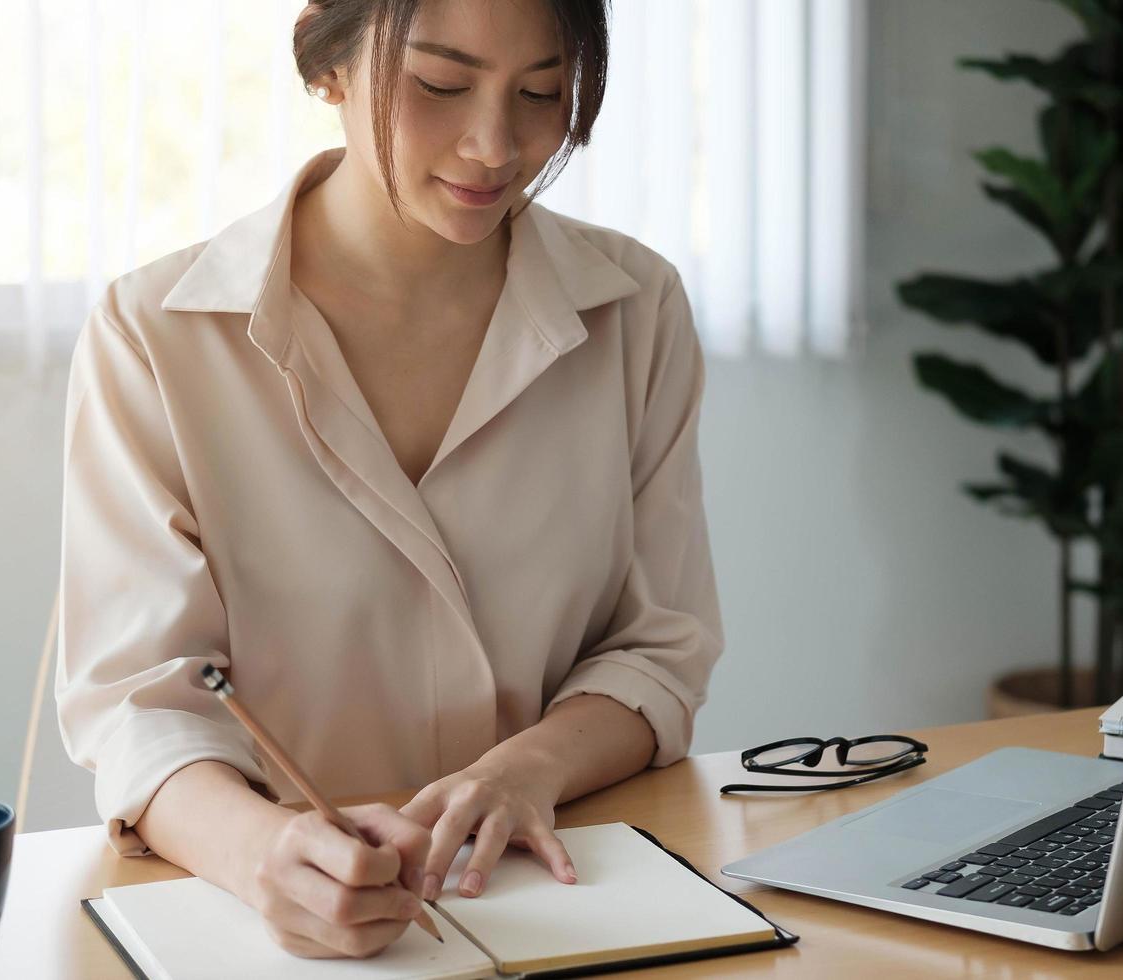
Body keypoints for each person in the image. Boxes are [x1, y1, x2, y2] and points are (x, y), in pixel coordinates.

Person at [55, 0, 721, 959]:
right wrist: (264, 853)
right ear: (325, 64)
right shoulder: (155, 335)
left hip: (570, 890)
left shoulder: (637, 308)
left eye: (542, 92)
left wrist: (522, 772)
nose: (495, 144)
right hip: (266, 926)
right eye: (440, 84)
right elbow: (138, 706)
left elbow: (660, 645)